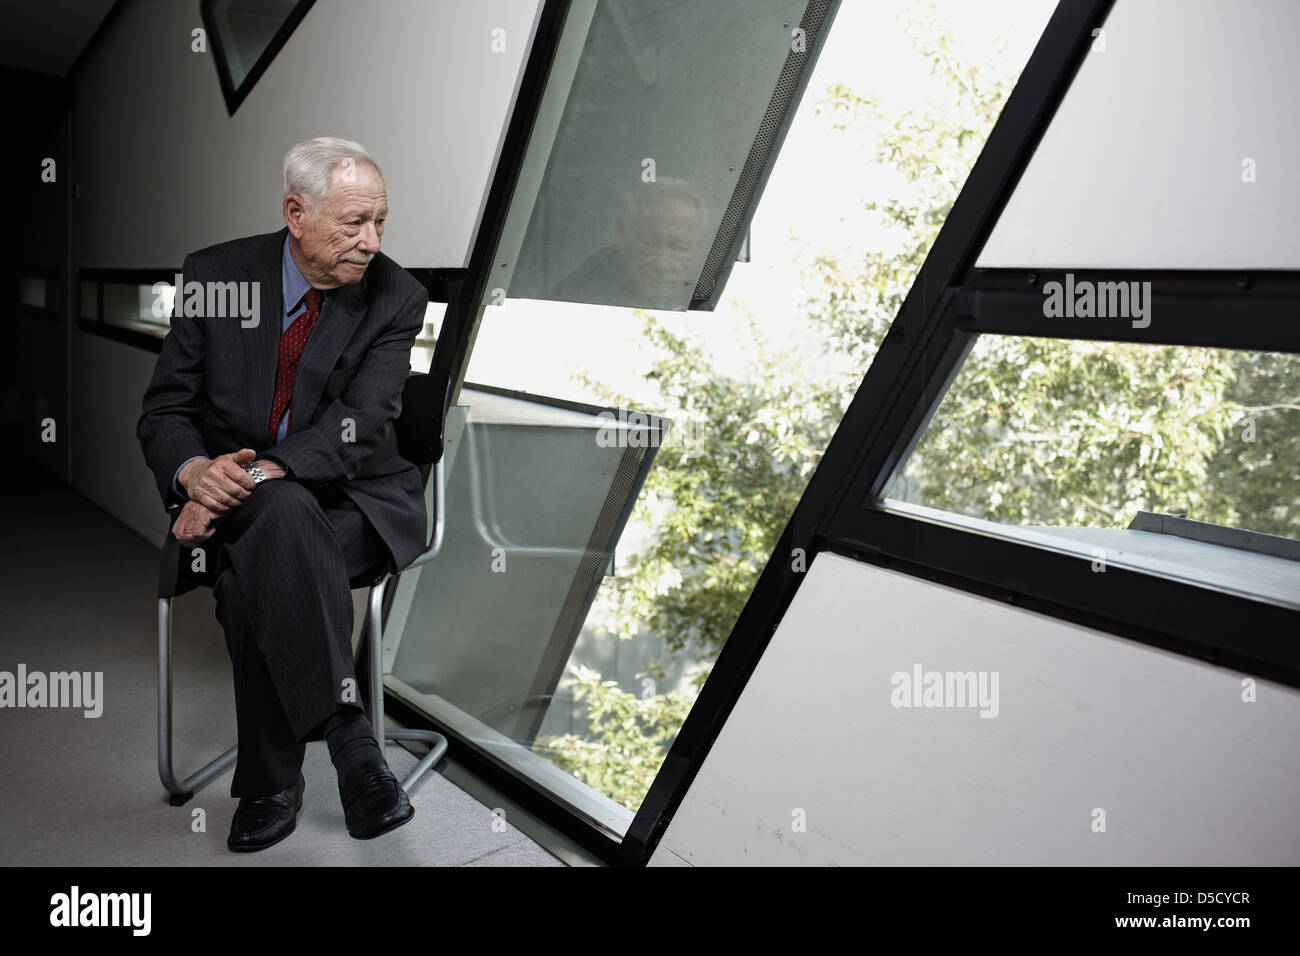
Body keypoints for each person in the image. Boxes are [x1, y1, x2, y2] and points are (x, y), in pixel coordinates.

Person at [137, 137, 429, 852]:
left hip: (358, 499)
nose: (372, 242)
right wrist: (193, 476)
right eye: (354, 223)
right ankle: (350, 739)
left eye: (381, 222)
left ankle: (270, 783)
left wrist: (238, 485)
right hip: (257, 501)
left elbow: (355, 430)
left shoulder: (396, 296)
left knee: (256, 556)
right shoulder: (215, 275)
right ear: (296, 214)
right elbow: (165, 413)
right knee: (268, 539)